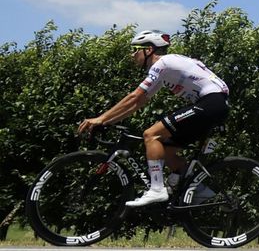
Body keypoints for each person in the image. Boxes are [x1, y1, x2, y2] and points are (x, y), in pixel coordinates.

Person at [76, 30, 230, 208]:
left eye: (135, 50)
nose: (132, 55)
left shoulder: (162, 63)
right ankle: (199, 189)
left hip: (211, 102)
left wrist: (100, 119)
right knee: (165, 150)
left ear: (148, 50)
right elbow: (138, 103)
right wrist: (107, 121)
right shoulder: (164, 73)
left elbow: (134, 97)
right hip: (213, 105)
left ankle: (157, 189)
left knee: (151, 135)